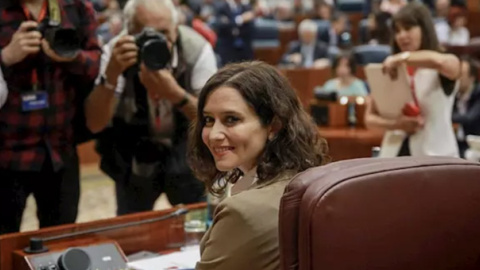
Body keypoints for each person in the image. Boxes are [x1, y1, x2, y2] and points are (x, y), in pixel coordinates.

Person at [188, 61, 329, 270]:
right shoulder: (312, 178)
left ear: (273, 126)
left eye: (231, 119)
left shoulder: (243, 211)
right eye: (208, 120)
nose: (214, 134)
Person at [86, 0, 217, 215]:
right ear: (129, 33)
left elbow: (213, 120)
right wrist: (111, 75)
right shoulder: (115, 51)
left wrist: (174, 94)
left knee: (198, 222)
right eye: (148, 34)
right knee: (133, 227)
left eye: (165, 32)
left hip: (186, 151)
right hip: (134, 151)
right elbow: (94, 123)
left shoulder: (197, 49)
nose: (160, 42)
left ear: (176, 30)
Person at [0, 0, 101, 234]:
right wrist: (5, 56)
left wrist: (70, 56)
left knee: (60, 240)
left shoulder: (75, 7)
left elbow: (96, 64)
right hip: (6, 152)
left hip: (60, 148)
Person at [365, 2, 462, 158]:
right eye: (397, 31)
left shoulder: (441, 63)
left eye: (408, 28)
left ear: (424, 29)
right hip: (393, 158)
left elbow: (445, 63)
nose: (402, 36)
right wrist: (397, 125)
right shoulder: (389, 68)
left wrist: (403, 58)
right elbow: (369, 119)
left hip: (436, 158)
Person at [452, 57, 480, 158]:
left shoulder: (478, 94)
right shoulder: (453, 96)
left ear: (472, 77)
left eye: (461, 74)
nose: (456, 78)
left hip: (476, 143)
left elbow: (470, 118)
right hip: (460, 145)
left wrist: (444, 116)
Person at [214, 0, 255, 65]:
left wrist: (230, 22)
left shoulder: (247, 8)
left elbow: (251, 27)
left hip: (244, 48)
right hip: (227, 48)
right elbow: (221, 26)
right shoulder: (222, 8)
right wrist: (240, 20)